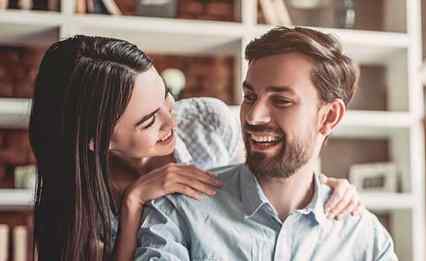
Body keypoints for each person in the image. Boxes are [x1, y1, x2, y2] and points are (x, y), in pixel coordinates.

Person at [28, 35, 363, 261]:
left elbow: (269, 175)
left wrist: (318, 185)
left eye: (166, 99)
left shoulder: (207, 121)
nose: (171, 121)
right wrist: (134, 202)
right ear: (96, 141)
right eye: (148, 122)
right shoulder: (75, 204)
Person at [135, 26, 397, 261]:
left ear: (329, 116)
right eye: (250, 96)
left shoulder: (365, 238)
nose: (253, 116)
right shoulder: (180, 209)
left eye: (281, 101)